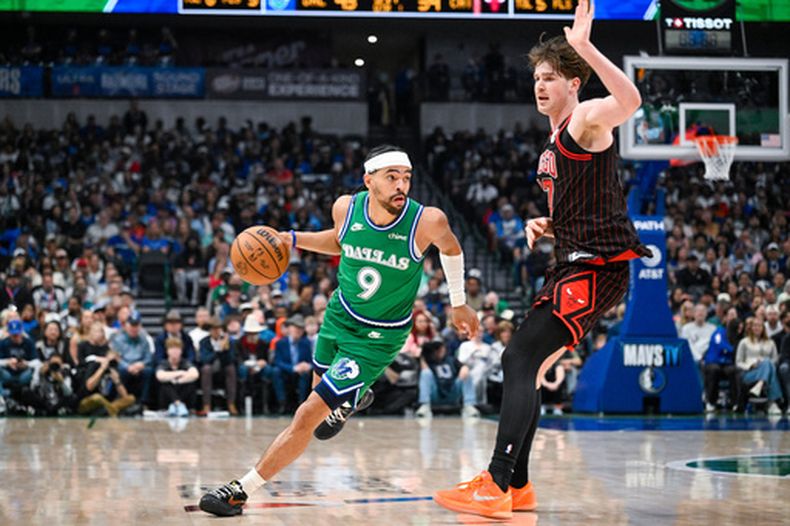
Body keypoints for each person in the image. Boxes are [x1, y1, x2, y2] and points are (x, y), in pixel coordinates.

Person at [435, 3, 651, 519]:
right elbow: (585, 202)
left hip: (594, 268)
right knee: (524, 368)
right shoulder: (554, 142)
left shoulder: (586, 118)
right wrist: (547, 223)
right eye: (536, 77)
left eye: (551, 77)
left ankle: (496, 483)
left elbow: (631, 99)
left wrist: (584, 48)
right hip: (574, 262)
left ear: (574, 83)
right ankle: (519, 487)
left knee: (518, 360)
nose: (540, 85)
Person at [199, 144, 479, 516]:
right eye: (391, 177)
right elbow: (341, 238)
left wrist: (458, 301)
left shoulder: (426, 221)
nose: (401, 185)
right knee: (319, 404)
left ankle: (240, 489)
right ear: (369, 181)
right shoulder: (346, 208)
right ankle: (352, 397)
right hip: (339, 316)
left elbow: (452, 248)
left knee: (308, 415)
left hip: (376, 339)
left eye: (406, 178)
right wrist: (291, 238)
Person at [736, 317, 782, 415]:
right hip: (750, 373)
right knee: (768, 363)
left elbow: (775, 360)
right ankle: (772, 403)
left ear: (763, 328)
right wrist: (750, 365)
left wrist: (765, 363)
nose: (757, 328)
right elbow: (738, 362)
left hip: (767, 370)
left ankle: (761, 383)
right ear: (751, 328)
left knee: (767, 362)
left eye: (759, 326)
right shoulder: (744, 342)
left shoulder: (770, 342)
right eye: (755, 326)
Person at [155, 338, 199, 416]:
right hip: (167, 398)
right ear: (167, 351)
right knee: (165, 384)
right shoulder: (164, 363)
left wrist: (177, 381)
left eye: (177, 349)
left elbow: (195, 374)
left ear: (181, 351)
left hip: (183, 394)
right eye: (172, 349)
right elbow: (160, 376)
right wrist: (180, 373)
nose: (174, 352)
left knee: (190, 384)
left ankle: (179, 405)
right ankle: (178, 405)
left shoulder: (185, 362)